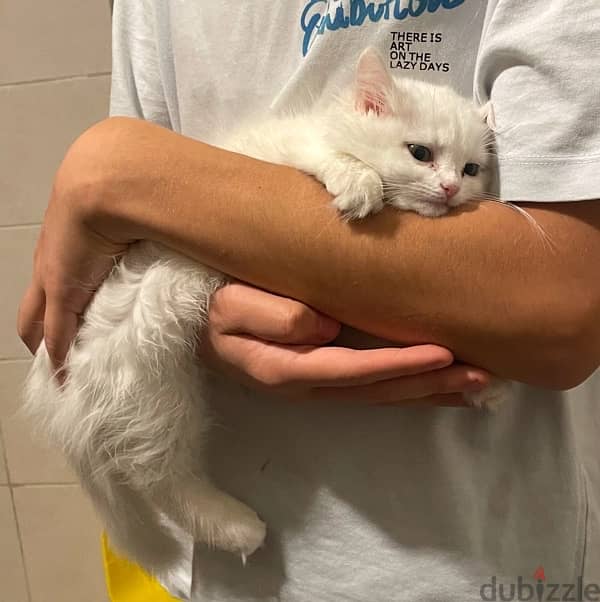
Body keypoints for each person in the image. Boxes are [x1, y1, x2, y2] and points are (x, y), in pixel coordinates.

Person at [17, 1, 600, 600]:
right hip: (230, 570)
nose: (451, 185)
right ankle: (170, 487)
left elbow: (558, 307)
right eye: (425, 156)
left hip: (477, 559)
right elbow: (134, 230)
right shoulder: (158, 16)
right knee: (148, 357)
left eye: (472, 169)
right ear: (368, 108)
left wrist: (115, 171)